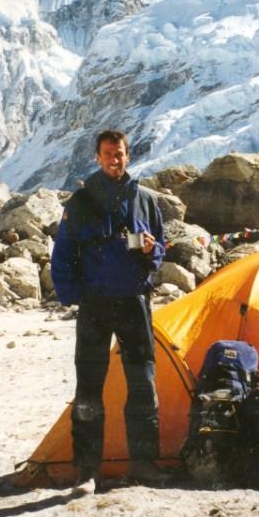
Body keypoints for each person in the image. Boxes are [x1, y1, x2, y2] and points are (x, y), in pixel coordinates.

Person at [51, 129, 169, 490]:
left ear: (127, 156)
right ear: (97, 157)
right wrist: (73, 295)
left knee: (142, 385)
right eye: (107, 154)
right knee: (89, 387)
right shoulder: (81, 201)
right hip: (96, 305)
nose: (114, 160)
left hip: (135, 301)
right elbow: (63, 252)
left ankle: (144, 465)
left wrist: (152, 252)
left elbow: (160, 247)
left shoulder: (146, 200)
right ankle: (87, 472)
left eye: (119, 154)